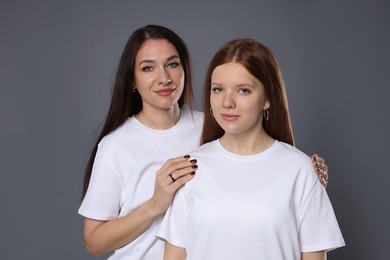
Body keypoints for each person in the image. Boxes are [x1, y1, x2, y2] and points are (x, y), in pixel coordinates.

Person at [78, 25, 329, 259]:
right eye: (148, 68)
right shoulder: (116, 147)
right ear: (131, 80)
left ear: (185, 68)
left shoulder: (218, 125)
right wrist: (155, 204)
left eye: (172, 64)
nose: (164, 78)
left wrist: (304, 179)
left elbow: (260, 166)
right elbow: (94, 242)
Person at [157, 38, 345, 260]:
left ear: (267, 98)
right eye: (218, 89)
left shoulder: (300, 170)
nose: (227, 102)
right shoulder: (190, 169)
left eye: (243, 90)